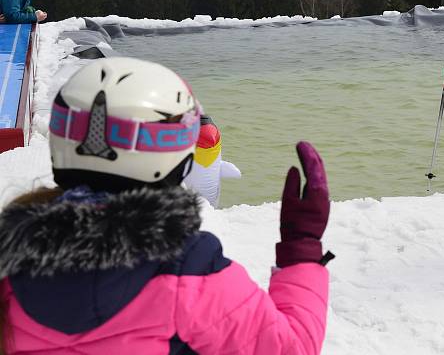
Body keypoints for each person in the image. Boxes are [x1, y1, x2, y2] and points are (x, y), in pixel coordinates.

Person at [0, 57, 333, 354]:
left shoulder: (8, 261)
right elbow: (290, 348)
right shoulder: (188, 270)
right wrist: (301, 246)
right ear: (170, 159)